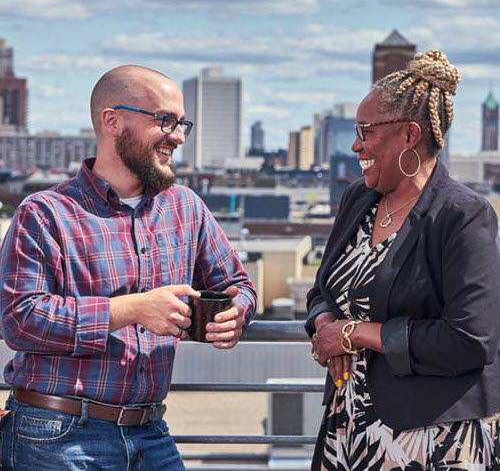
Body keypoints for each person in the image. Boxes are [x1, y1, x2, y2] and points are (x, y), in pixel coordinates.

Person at [0, 65, 257, 470]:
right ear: (112, 121)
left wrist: (237, 312)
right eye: (164, 120)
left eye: (181, 123)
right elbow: (19, 319)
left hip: (150, 431)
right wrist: (132, 309)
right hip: (57, 435)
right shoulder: (45, 213)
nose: (178, 136)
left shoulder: (185, 208)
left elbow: (238, 285)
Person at [305, 50, 500, 470]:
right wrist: (326, 327)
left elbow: (472, 340)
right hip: (348, 427)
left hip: (433, 439)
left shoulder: (464, 215)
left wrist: (355, 333)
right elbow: (322, 289)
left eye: (366, 131)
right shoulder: (358, 199)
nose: (355, 145)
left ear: (410, 134)